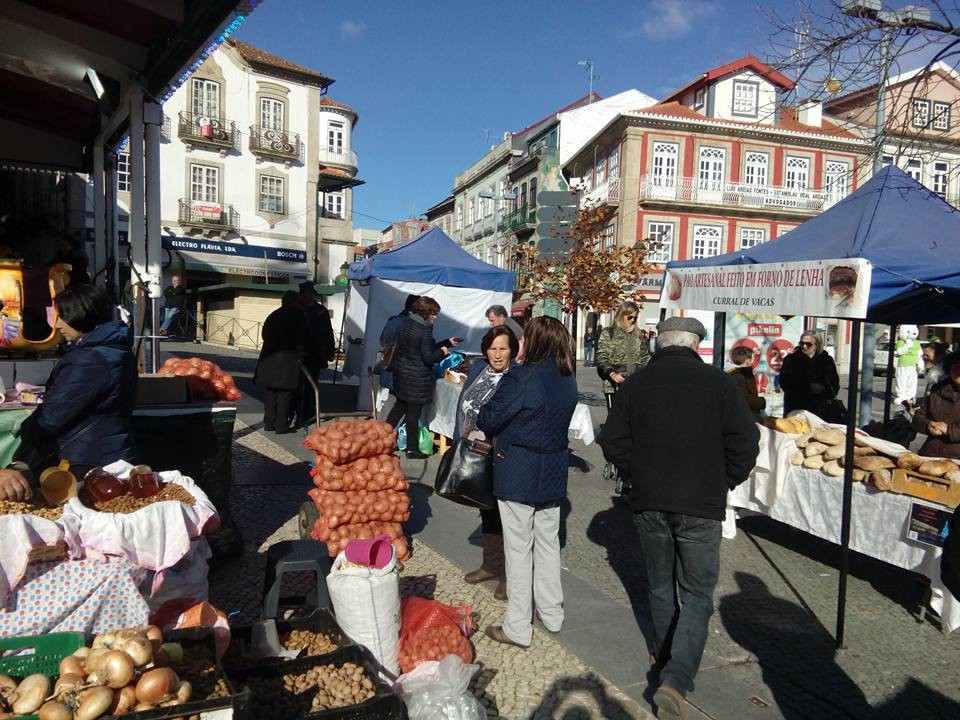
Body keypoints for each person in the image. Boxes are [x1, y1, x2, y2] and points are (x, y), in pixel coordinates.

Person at [600, 316, 759, 720]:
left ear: (659, 344)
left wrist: (637, 473)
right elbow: (745, 442)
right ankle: (676, 677)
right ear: (694, 345)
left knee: (658, 585)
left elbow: (613, 440)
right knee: (698, 593)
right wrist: (724, 480)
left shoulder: (635, 384)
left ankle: (668, 661)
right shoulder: (721, 384)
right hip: (701, 504)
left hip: (650, 500)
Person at [476, 316, 578, 649]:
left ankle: (518, 627)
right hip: (551, 471)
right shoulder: (567, 378)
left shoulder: (522, 377)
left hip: (518, 470)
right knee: (548, 544)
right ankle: (552, 613)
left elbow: (489, 418)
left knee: (519, 551)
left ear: (530, 342)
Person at [3, 284, 137, 500]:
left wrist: (26, 431)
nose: (57, 325)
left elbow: (52, 417)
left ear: (80, 315)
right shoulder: (114, 348)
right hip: (109, 452)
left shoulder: (90, 359)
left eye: (62, 317)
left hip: (87, 460)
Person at [453, 325, 519, 600]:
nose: (498, 354)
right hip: (474, 453)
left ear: (512, 350)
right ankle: (490, 565)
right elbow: (464, 403)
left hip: (501, 455)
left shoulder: (516, 376)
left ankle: (510, 576)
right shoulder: (479, 370)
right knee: (486, 511)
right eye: (493, 348)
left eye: (503, 348)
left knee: (508, 518)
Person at [386, 296, 459, 459]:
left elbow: (421, 348)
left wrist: (446, 342)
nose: (435, 317)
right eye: (433, 313)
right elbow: (428, 357)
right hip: (416, 378)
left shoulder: (405, 324)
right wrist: (442, 353)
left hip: (402, 372)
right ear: (425, 313)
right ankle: (412, 448)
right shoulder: (424, 330)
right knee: (413, 413)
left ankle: (381, 437)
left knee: (399, 407)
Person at [255, 291, 308, 434]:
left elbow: (264, 334)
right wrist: (301, 355)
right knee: (285, 394)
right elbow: (302, 339)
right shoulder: (297, 317)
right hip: (287, 360)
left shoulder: (274, 315)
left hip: (269, 358)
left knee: (271, 392)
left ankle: (269, 423)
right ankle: (281, 425)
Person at [596, 301, 651, 410]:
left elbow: (645, 358)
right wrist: (612, 374)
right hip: (613, 385)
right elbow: (602, 357)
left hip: (635, 384)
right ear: (621, 316)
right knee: (615, 420)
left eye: (635, 318)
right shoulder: (609, 333)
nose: (632, 320)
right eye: (629, 317)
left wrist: (643, 375)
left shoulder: (639, 335)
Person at [297, 281, 336, 425]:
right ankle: (297, 412)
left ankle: (308, 413)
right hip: (298, 353)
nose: (309, 296)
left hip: (315, 353)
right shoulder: (297, 309)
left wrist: (330, 351)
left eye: (311, 294)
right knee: (296, 385)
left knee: (311, 384)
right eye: (307, 294)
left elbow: (328, 332)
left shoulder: (321, 311)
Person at [778, 331, 841, 420]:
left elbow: (834, 385)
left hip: (820, 411)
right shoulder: (790, 360)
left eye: (808, 344)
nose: (804, 346)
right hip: (796, 410)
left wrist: (823, 388)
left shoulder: (826, 361)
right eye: (802, 343)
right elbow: (784, 382)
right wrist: (807, 387)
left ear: (817, 345)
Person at [911, 351, 960, 460]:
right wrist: (928, 425)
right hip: (930, 455)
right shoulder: (937, 390)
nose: (958, 370)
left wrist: (949, 430)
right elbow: (918, 416)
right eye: (955, 366)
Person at [379, 294, 419, 392]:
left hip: (388, 367)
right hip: (404, 373)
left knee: (390, 401)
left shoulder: (392, 320)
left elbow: (382, 340)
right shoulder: (413, 324)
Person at [728, 346, 766, 421]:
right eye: (752, 359)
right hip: (745, 419)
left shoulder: (733, 374)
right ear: (748, 361)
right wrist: (762, 402)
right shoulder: (740, 377)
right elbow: (744, 400)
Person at [893, 325, 924, 407]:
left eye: (914, 331)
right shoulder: (900, 342)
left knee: (912, 382)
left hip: (913, 366)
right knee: (901, 380)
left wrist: (920, 364)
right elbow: (900, 352)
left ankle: (910, 396)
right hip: (903, 365)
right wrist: (907, 345)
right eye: (909, 332)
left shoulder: (916, 342)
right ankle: (901, 396)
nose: (912, 333)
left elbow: (919, 354)